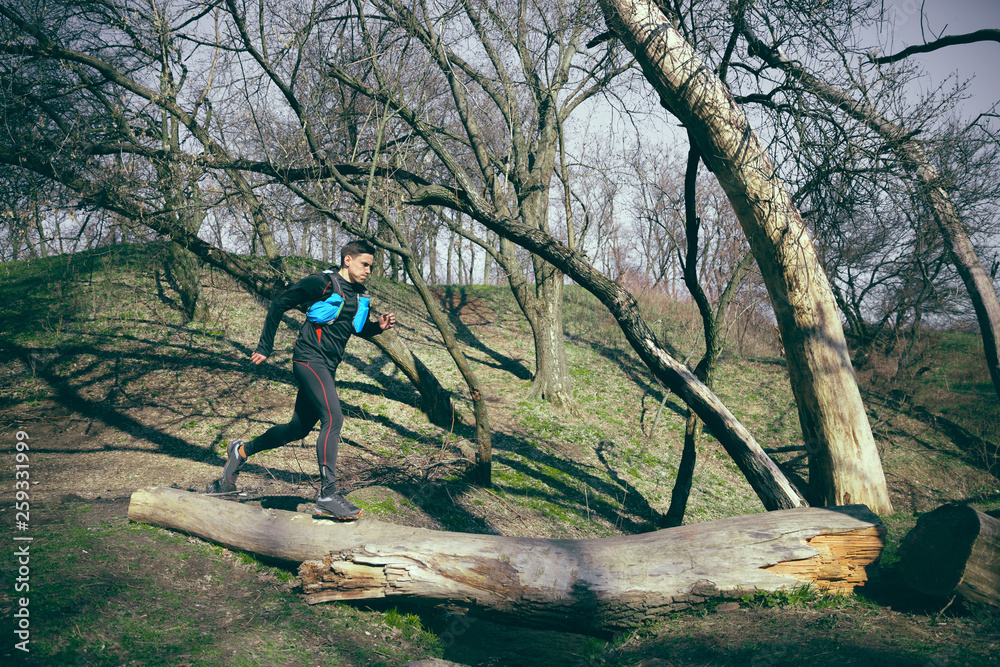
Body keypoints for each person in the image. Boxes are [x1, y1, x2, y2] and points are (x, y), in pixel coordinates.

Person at [205, 240, 396, 520]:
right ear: (347, 260)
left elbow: (354, 328)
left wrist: (376, 327)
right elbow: (279, 302)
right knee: (333, 419)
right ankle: (327, 495)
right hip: (308, 359)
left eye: (370, 266)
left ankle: (240, 451)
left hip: (327, 366)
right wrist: (264, 347)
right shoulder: (321, 283)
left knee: (297, 429)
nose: (368, 270)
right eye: (364, 264)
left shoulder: (357, 294)